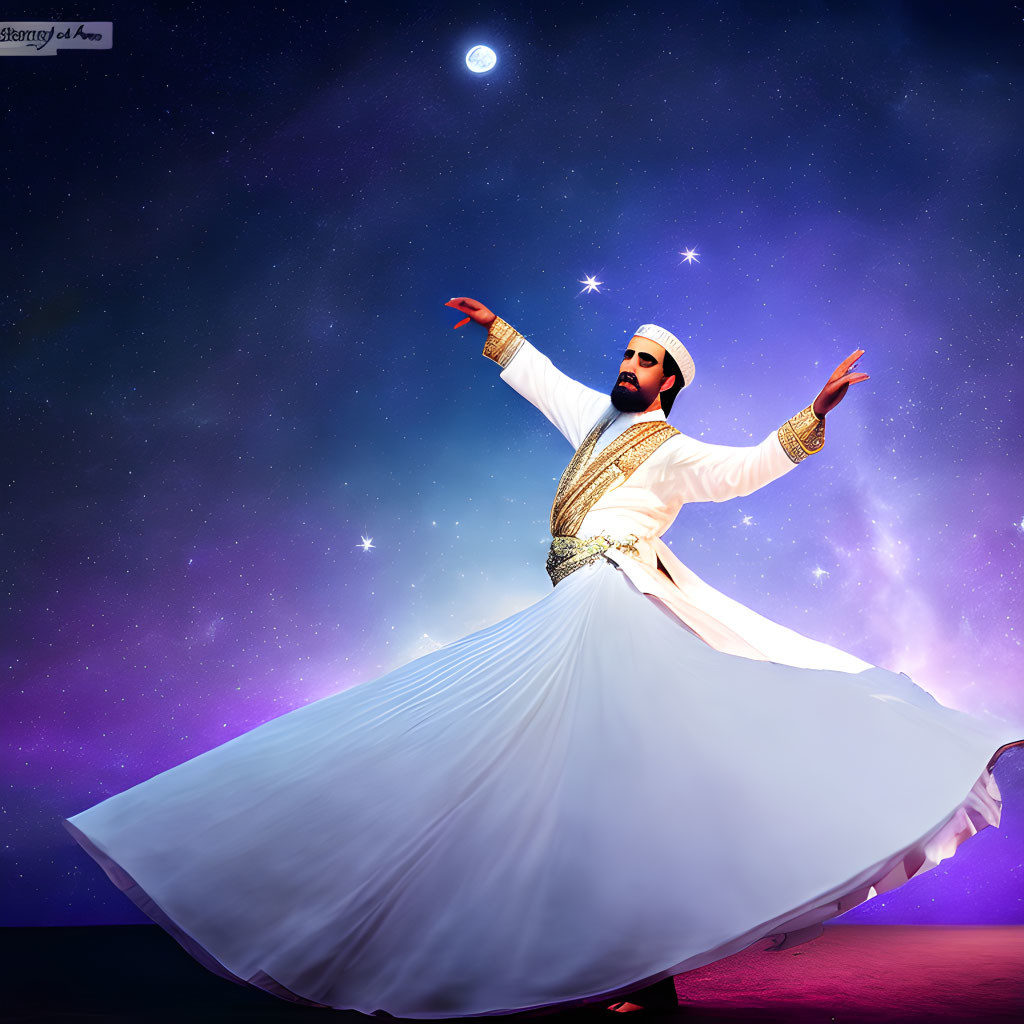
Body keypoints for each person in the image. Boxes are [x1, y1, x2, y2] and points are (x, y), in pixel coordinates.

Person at [63, 299, 1022, 1019]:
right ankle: (603, 964)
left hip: (617, 604)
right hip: (575, 609)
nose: (629, 366)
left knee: (592, 775)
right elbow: (552, 381)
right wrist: (503, 332)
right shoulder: (597, 425)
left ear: (669, 384)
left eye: (646, 361)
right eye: (627, 354)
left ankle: (627, 969)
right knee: (576, 788)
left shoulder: (672, 448)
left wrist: (810, 415)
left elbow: (743, 470)